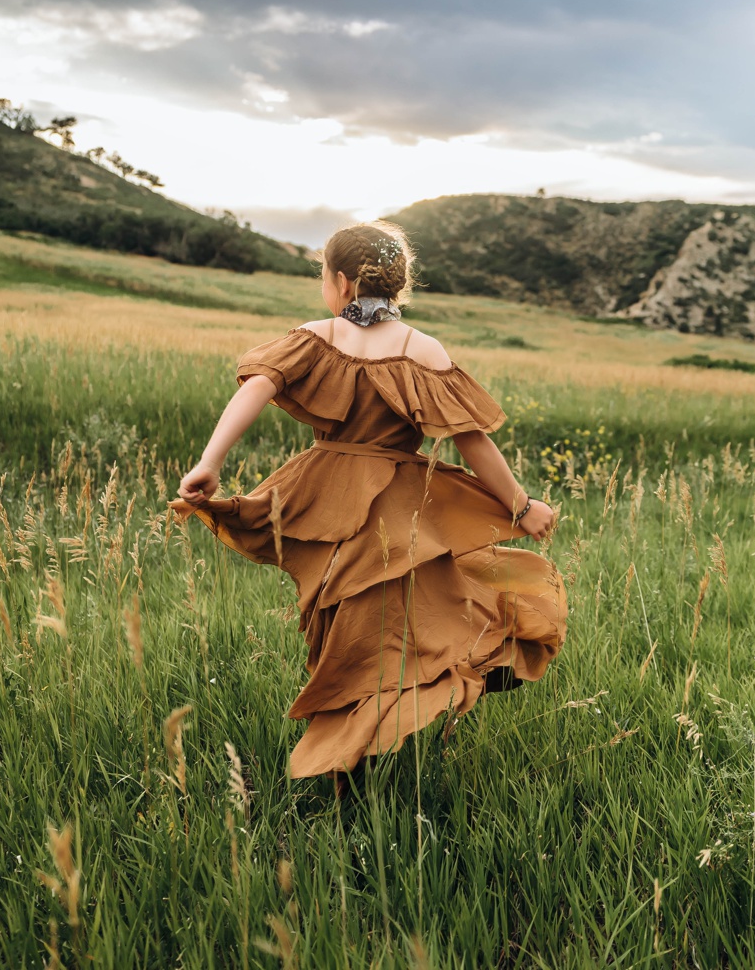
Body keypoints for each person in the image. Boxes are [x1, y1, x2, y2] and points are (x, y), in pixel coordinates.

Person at [169, 220, 568, 797]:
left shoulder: (314, 335)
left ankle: (344, 763)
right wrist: (521, 504)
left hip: (321, 495)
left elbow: (254, 386)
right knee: (402, 626)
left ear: (338, 280)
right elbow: (472, 438)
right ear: (398, 285)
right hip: (399, 507)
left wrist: (210, 462)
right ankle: (364, 745)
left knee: (335, 624)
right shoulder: (420, 349)